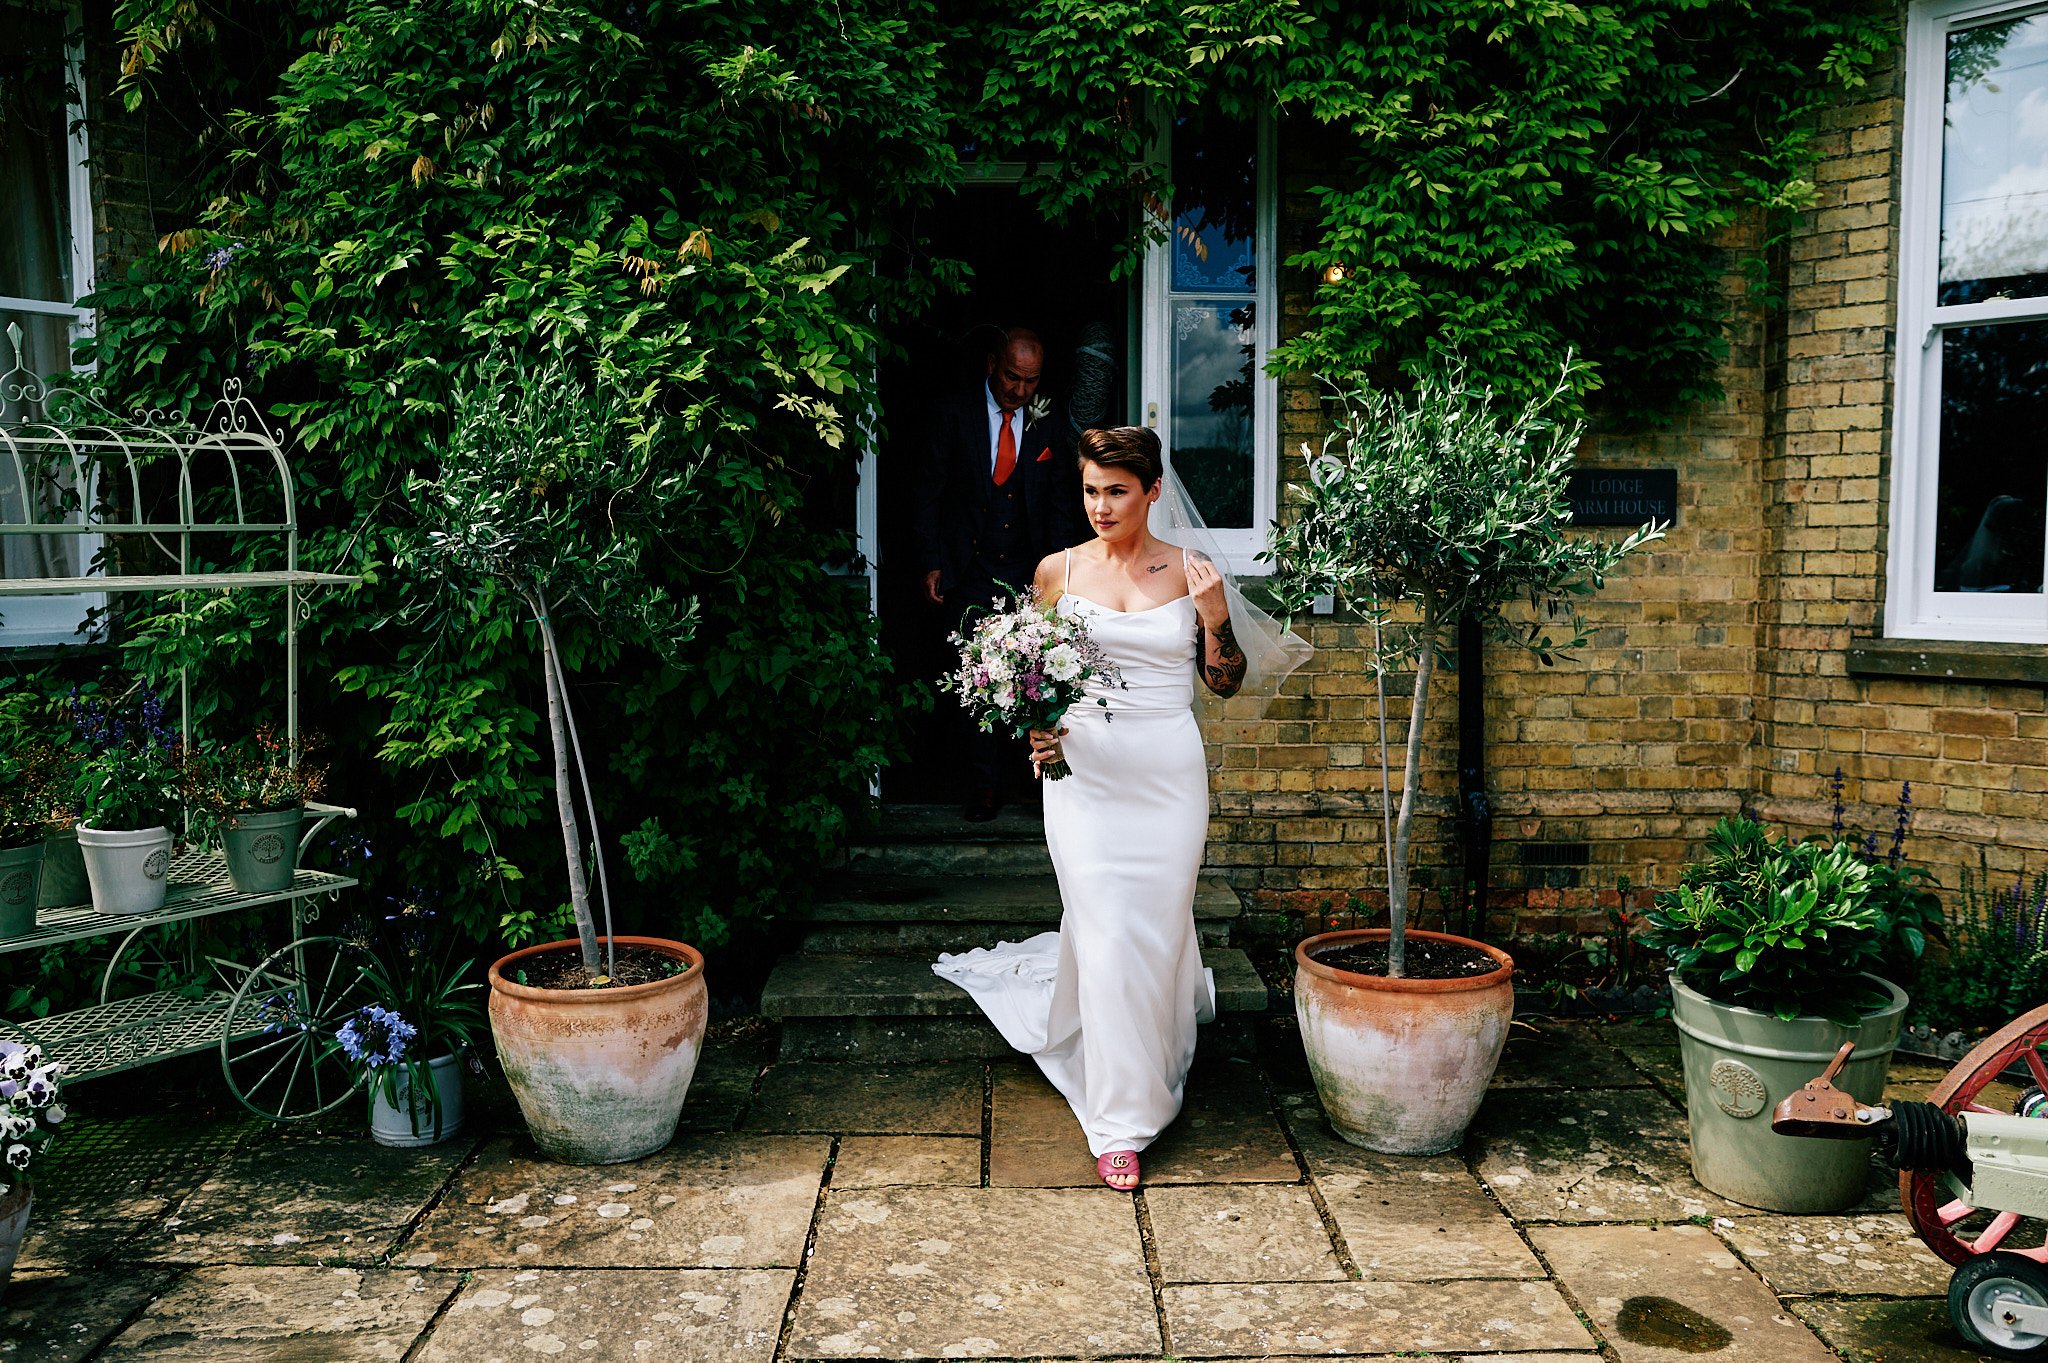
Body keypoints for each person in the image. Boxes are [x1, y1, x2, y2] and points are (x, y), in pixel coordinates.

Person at [931, 425, 1251, 1192]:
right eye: (1090, 490)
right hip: (1085, 780)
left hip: (1168, 778)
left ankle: (1159, 1041)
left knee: (1156, 926)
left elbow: (1227, 682)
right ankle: (1120, 1122)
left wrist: (1215, 618)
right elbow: (1032, 676)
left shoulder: (1190, 571)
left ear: (1151, 493)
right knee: (1107, 934)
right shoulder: (1055, 571)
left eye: (1116, 490)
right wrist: (1035, 728)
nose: (1100, 505)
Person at [914, 328, 1085, 821]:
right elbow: (929, 491)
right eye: (1013, 377)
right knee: (980, 677)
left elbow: (1058, 502)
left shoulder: (1047, 420)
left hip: (1031, 568)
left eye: (1031, 381)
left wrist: (1058, 568)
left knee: (1041, 673)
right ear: (992, 364)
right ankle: (985, 786)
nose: (1020, 391)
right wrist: (931, 560)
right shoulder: (954, 412)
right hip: (970, 567)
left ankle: (1038, 783)